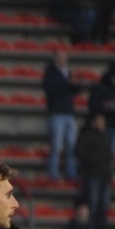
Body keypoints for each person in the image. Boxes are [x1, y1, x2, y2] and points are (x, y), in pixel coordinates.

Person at [74, 114, 112, 229]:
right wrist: (94, 160)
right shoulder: (86, 136)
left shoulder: (105, 137)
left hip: (104, 176)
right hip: (92, 175)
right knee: (93, 204)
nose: (103, 124)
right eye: (100, 121)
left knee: (104, 205)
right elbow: (78, 152)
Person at [43, 50, 78, 181]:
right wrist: (66, 84)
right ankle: (53, 173)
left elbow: (75, 90)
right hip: (57, 113)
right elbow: (51, 89)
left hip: (68, 112)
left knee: (71, 145)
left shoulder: (68, 72)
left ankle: (71, 173)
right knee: (56, 146)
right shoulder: (51, 73)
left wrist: (74, 85)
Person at [88, 62, 115, 156]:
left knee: (112, 154)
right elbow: (93, 105)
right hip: (102, 126)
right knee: (100, 154)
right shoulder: (99, 87)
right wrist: (107, 107)